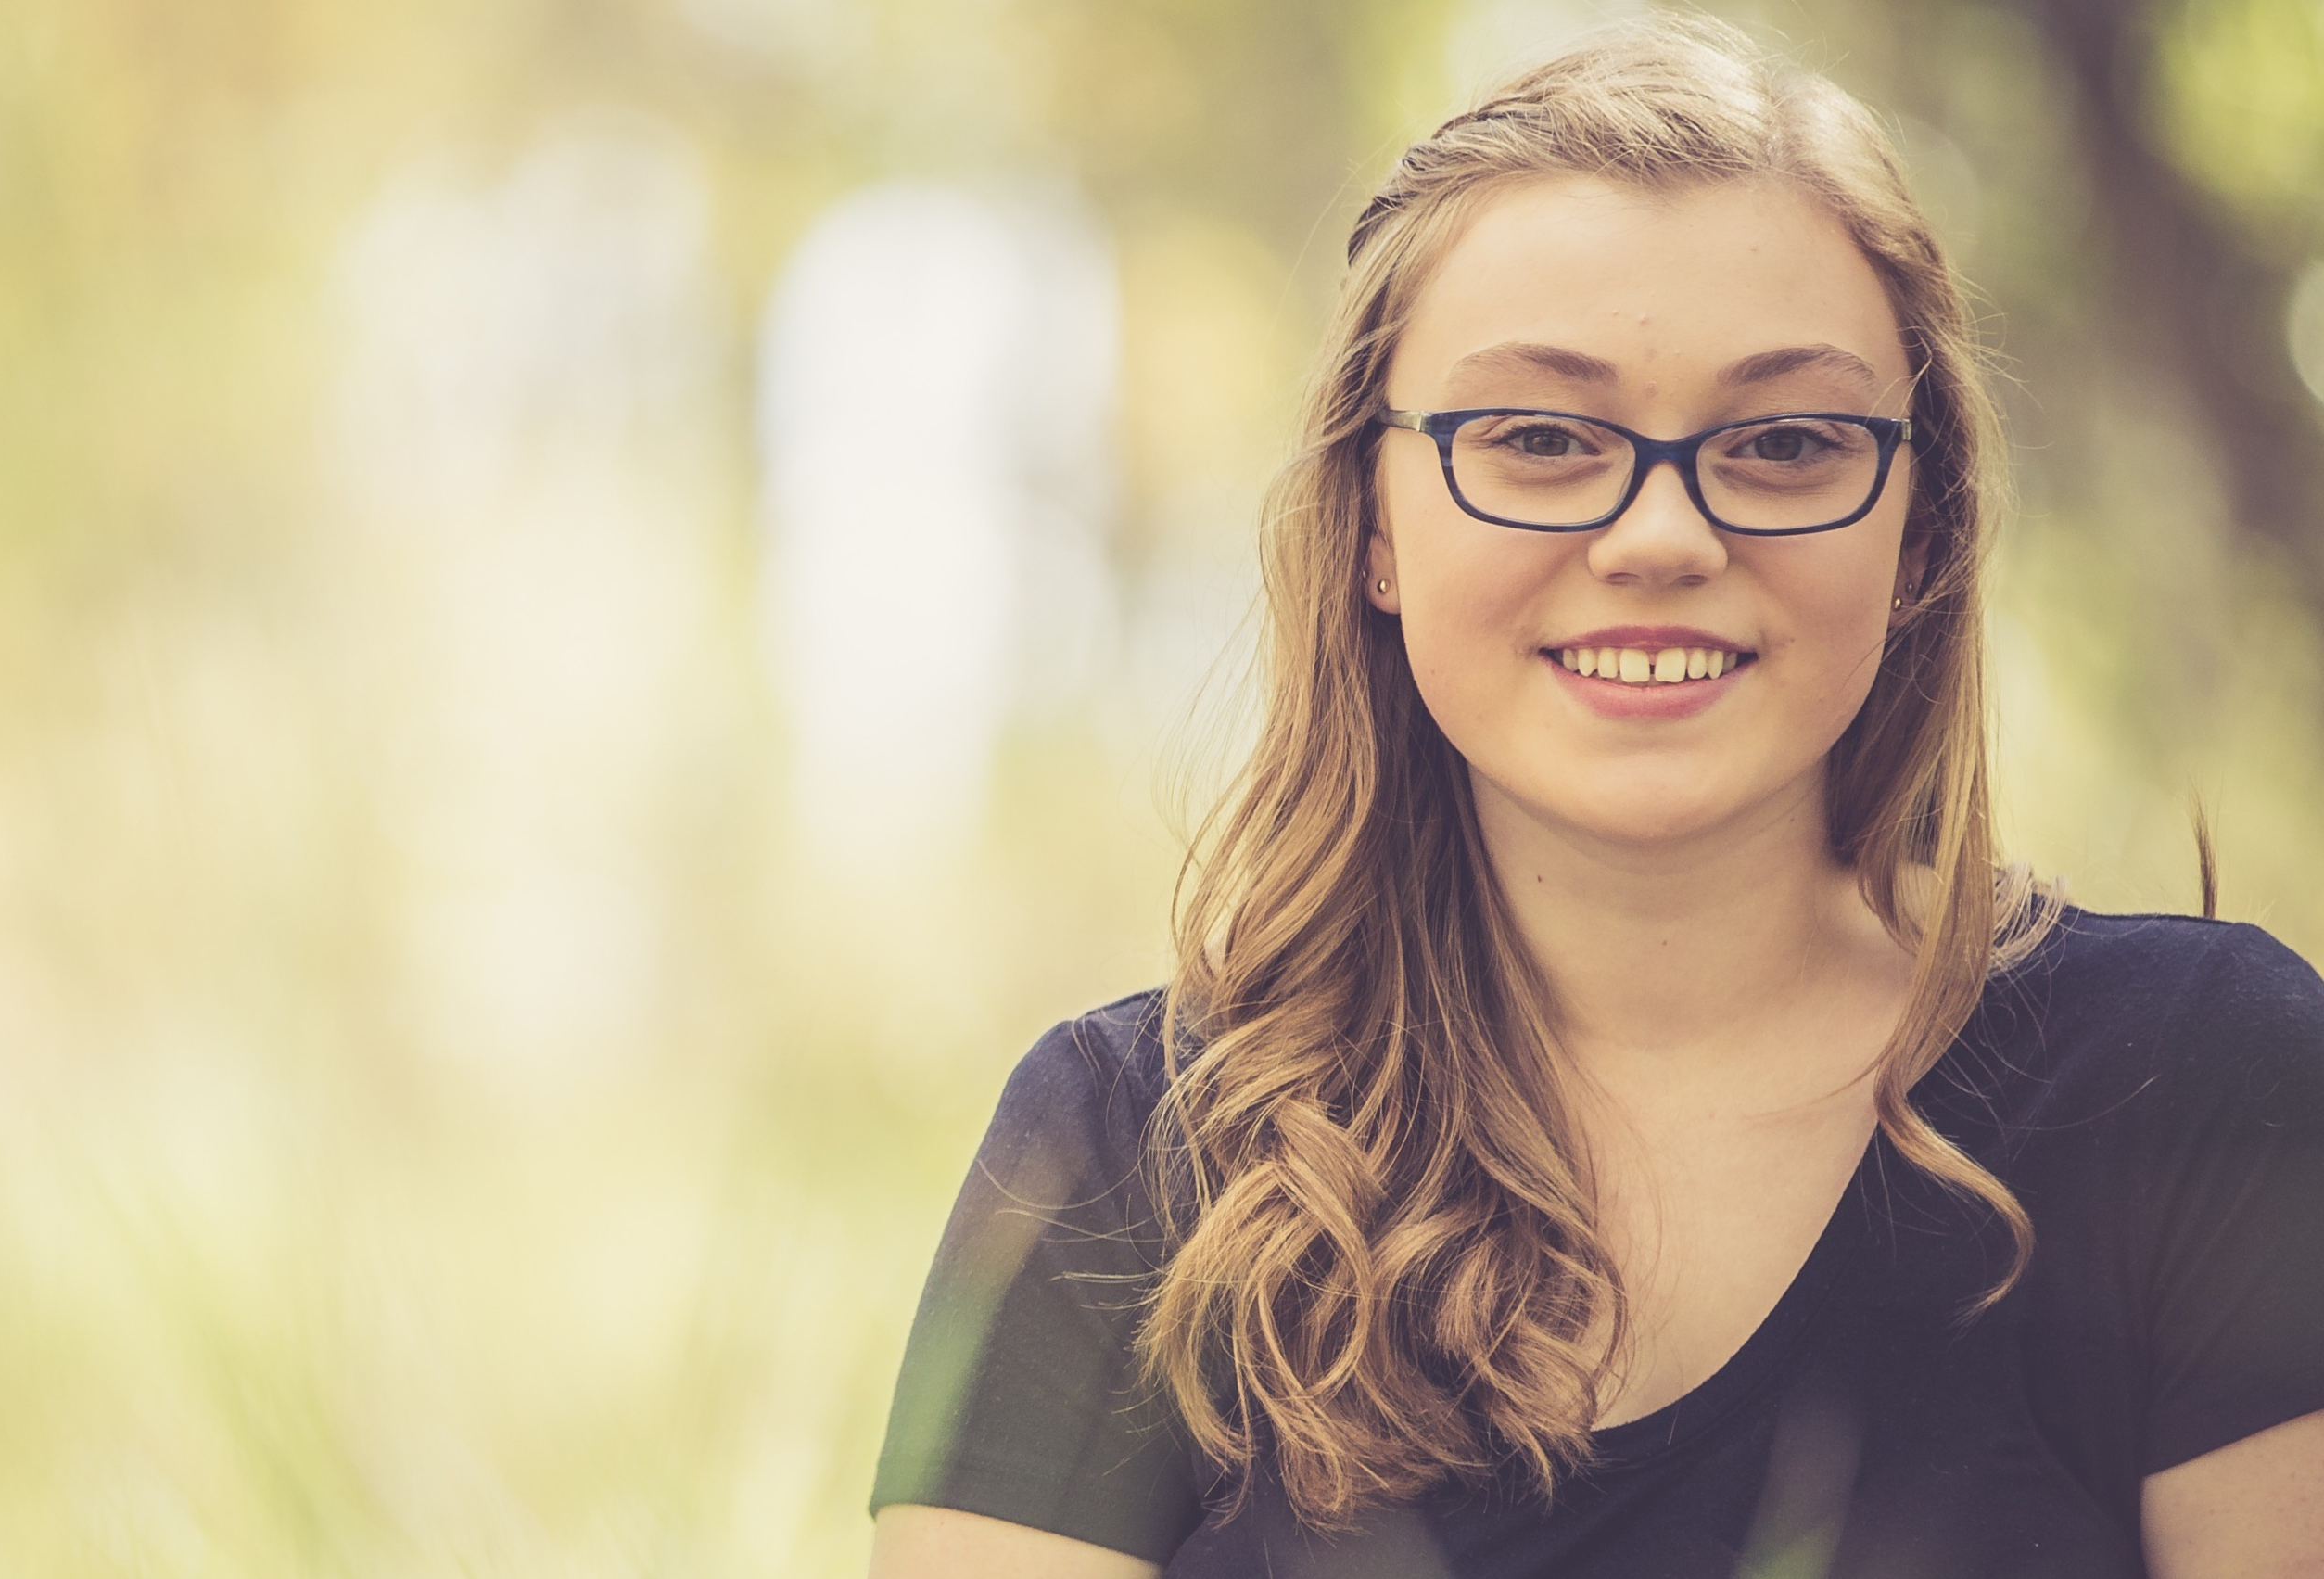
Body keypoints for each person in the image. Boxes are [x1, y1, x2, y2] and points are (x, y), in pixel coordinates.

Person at [864, 17, 2324, 1577]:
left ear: (1919, 527)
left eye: (1784, 442)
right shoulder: (1125, 1150)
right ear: (1372, 522)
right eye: (1543, 437)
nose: (1659, 535)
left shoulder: (2199, 1079)